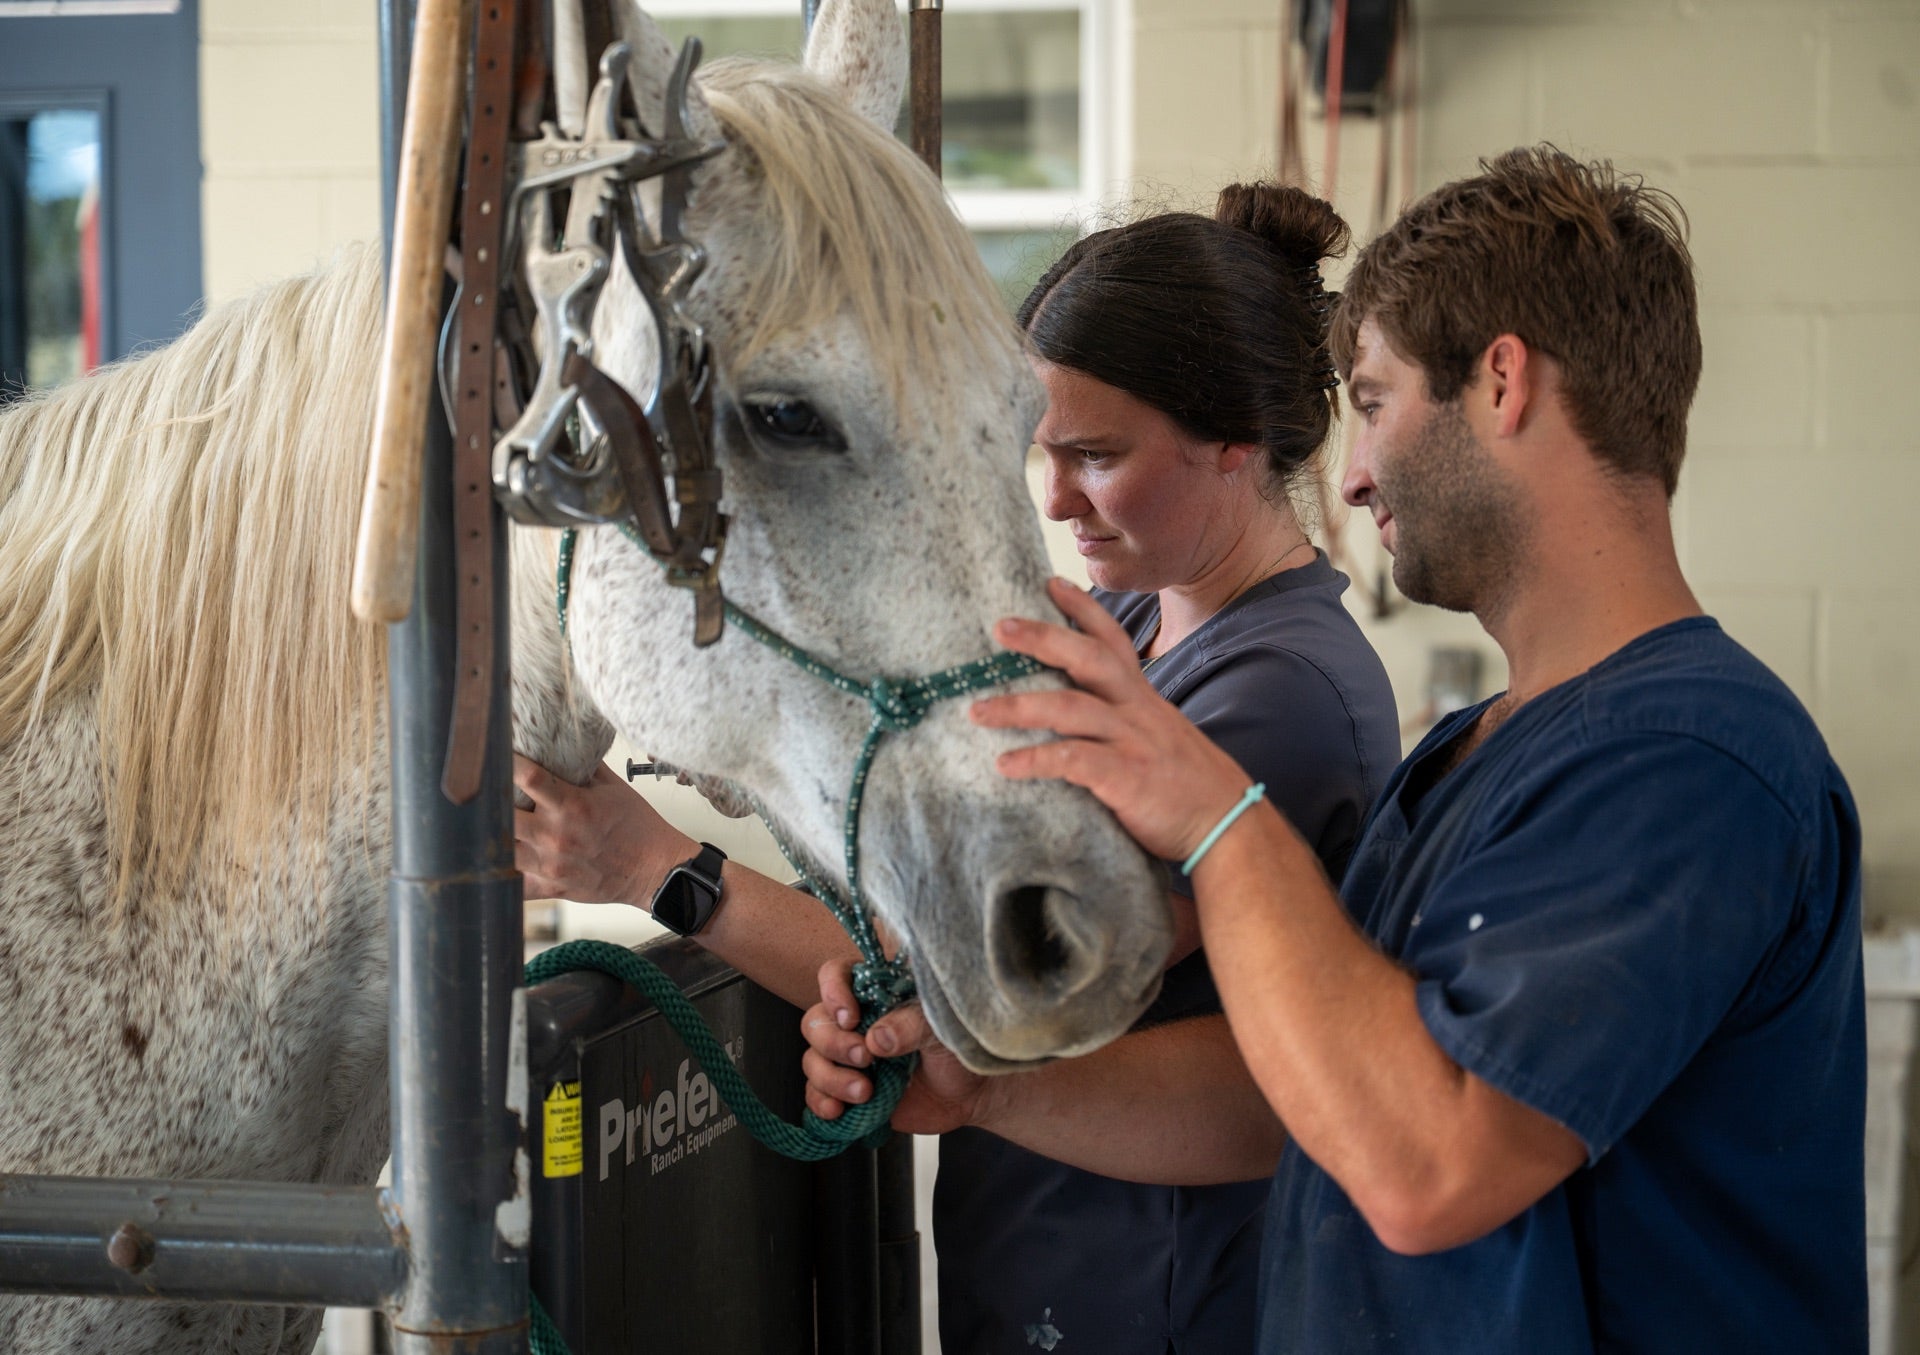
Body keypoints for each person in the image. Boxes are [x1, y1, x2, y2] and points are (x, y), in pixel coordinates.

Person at [804, 145, 1868, 1354]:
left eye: (1370, 399)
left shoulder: (1690, 758)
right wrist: (990, 1087)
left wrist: (1214, 814)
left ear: (1503, 381)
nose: (1351, 475)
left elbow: (1429, 1163)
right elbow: (1292, 1104)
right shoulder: (1477, 752)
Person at [514, 182, 1400, 1352]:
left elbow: (996, 971)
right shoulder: (1125, 625)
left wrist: (657, 867)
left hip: (1156, 1303)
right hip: (1037, 1271)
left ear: (1236, 439)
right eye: (1040, 452)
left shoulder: (1278, 699)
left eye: (1098, 456)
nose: (1055, 498)